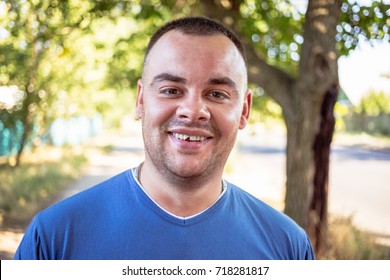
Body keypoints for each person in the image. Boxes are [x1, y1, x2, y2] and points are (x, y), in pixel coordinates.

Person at [14, 16, 315, 260]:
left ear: (244, 110)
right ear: (141, 101)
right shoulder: (54, 238)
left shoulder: (288, 248)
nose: (193, 110)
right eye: (171, 90)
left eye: (217, 94)